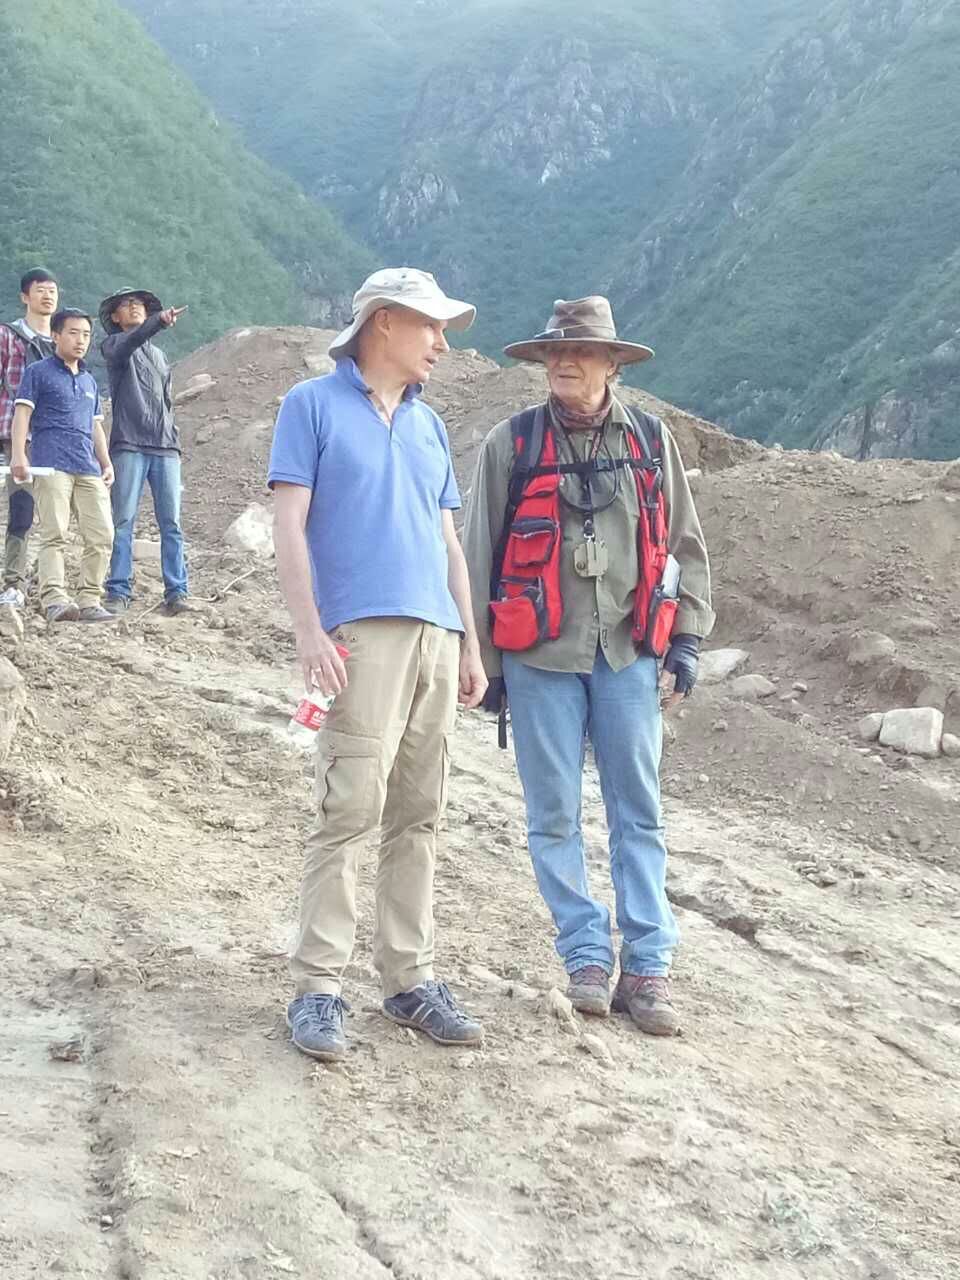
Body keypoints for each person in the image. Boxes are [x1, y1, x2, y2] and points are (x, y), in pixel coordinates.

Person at [462, 296, 714, 1036]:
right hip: (538, 657)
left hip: (629, 652)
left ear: (612, 364)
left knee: (639, 811)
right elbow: (476, 553)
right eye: (555, 353)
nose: (564, 363)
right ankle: (585, 956)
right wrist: (484, 662)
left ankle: (649, 965)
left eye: (581, 352)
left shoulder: (651, 441)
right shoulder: (512, 444)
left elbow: (684, 544)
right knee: (553, 814)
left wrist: (687, 640)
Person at [269, 267, 488, 1061]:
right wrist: (309, 631)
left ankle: (408, 979)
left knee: (418, 813)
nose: (441, 344)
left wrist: (469, 642)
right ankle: (318, 987)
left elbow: (448, 543)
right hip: (361, 637)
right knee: (349, 811)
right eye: (431, 326)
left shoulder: (429, 427)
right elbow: (288, 526)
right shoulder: (311, 406)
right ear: (384, 322)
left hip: (435, 637)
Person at [9, 309, 115, 623]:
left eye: (86, 334)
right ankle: (54, 598)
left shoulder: (89, 380)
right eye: (73, 332)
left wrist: (106, 462)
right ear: (55, 335)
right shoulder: (38, 372)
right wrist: (19, 455)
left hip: (87, 466)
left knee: (102, 535)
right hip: (51, 463)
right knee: (54, 533)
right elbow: (22, 415)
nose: (81, 340)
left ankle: (90, 599)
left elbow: (95, 426)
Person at [98, 287, 191, 616]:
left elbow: (166, 400)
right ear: (115, 317)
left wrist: (173, 434)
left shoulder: (160, 356)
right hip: (129, 443)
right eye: (126, 304)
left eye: (138, 303)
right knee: (123, 520)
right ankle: (118, 590)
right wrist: (159, 322)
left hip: (165, 446)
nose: (134, 307)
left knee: (172, 524)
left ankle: (177, 592)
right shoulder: (114, 346)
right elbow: (132, 341)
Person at [0, 269, 59, 608]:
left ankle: (52, 585)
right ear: (25, 296)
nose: (47, 296)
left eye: (52, 290)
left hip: (55, 435)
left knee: (56, 513)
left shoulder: (64, 339)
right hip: (17, 435)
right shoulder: (7, 335)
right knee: (21, 507)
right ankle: (14, 583)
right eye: (40, 290)